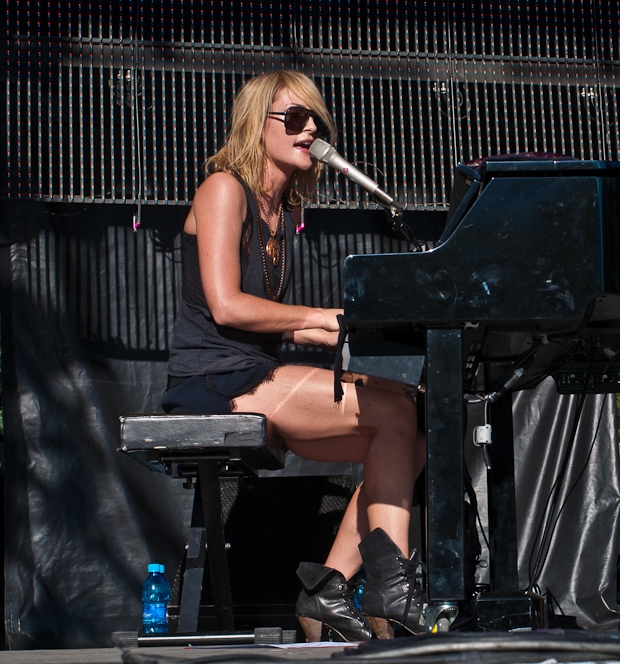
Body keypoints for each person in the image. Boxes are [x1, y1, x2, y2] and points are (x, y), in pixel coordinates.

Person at [161, 70, 426, 641]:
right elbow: (227, 308)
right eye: (296, 119)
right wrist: (317, 321)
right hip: (214, 377)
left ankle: (328, 590)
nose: (310, 132)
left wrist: (348, 333)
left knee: (413, 422)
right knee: (395, 416)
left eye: (317, 121)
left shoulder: (282, 216)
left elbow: (275, 329)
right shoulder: (223, 189)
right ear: (258, 125)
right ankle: (392, 595)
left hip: (256, 370)